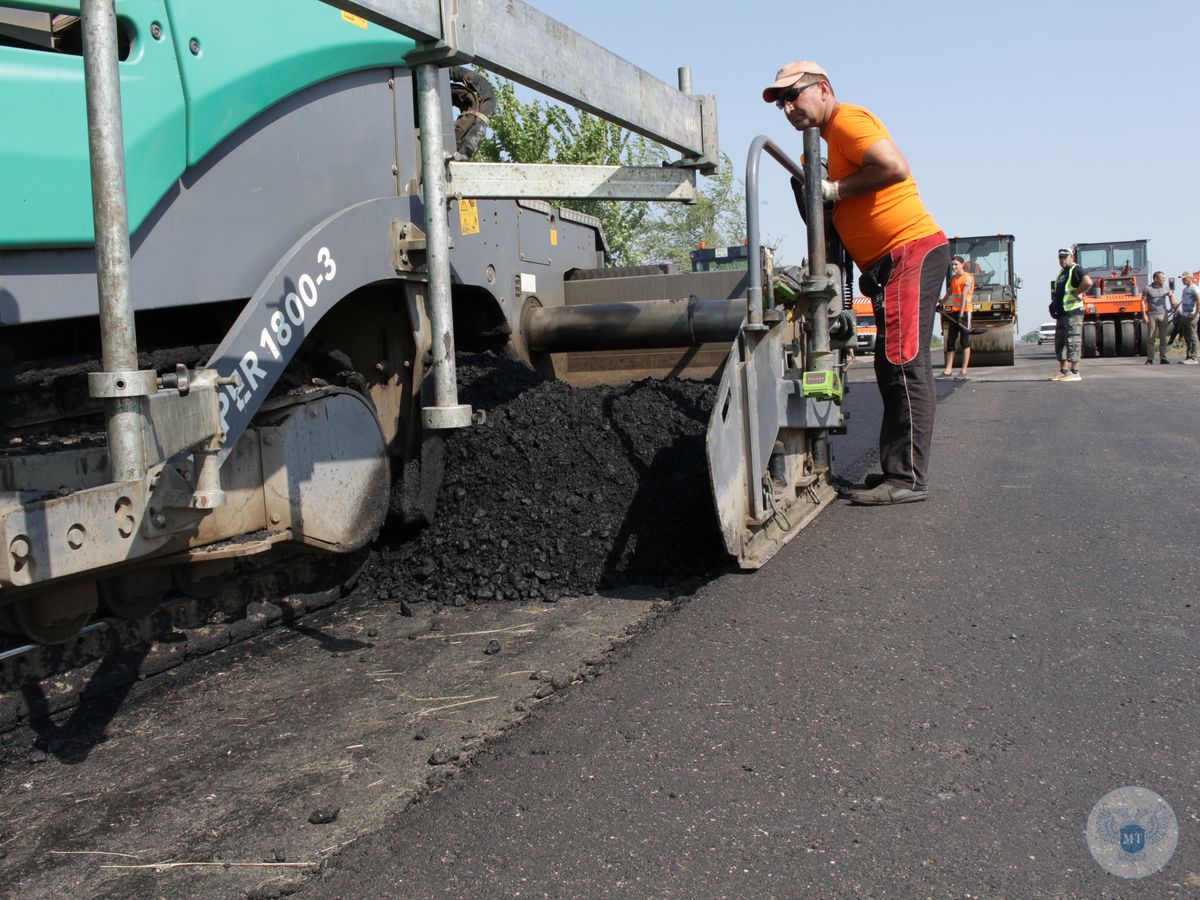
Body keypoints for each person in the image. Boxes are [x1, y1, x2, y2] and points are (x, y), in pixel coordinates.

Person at [763, 61, 948, 505]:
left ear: (823, 89)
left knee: (902, 361)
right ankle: (897, 470)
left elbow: (893, 167)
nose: (789, 107)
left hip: (910, 249)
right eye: (782, 102)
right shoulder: (821, 145)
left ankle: (907, 480)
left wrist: (833, 191)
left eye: (795, 95)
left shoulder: (847, 120)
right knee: (889, 364)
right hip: (890, 262)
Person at [1050, 248, 1091, 381]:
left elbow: (1088, 282)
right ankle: (1063, 371)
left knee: (1073, 341)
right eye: (1060, 257)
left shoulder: (1076, 269)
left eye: (1065, 257)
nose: (1062, 259)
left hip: (1073, 312)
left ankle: (1075, 372)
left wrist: (1077, 292)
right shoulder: (1062, 273)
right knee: (1060, 343)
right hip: (1062, 313)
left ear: (1071, 257)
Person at [941, 256, 974, 377]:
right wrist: (940, 304)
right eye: (952, 265)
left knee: (964, 341)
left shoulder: (967, 278)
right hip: (954, 313)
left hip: (965, 313)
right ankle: (948, 370)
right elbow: (949, 293)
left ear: (962, 265)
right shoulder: (954, 278)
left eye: (956, 264)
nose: (954, 267)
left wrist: (961, 315)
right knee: (950, 341)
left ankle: (964, 369)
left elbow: (964, 297)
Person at [1141, 270, 1175, 364]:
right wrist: (1144, 314)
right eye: (1161, 278)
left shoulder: (1166, 287)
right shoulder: (1147, 288)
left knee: (1163, 338)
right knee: (1151, 338)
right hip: (1152, 315)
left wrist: (1172, 305)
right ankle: (1150, 359)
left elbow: (1171, 296)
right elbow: (1143, 302)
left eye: (1164, 278)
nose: (1163, 279)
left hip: (1163, 314)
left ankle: (1163, 358)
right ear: (1155, 278)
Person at [1178, 273, 1199, 363]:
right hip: (1184, 315)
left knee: (1192, 336)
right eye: (1182, 279)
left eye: (1185, 279)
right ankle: (1188, 356)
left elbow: (1199, 301)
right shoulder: (1185, 289)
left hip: (1191, 315)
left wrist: (1195, 314)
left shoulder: (1195, 288)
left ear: (1190, 278)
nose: (1183, 280)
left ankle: (1194, 357)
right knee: (1186, 337)